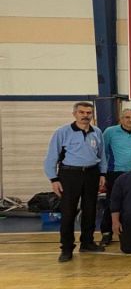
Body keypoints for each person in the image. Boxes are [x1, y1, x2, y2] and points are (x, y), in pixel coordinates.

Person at [44, 101, 107, 262]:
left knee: (90, 210)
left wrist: (103, 174)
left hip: (92, 173)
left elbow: (102, 155)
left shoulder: (97, 132)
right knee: (68, 212)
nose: (85, 116)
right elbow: (52, 156)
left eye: (88, 113)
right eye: (82, 112)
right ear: (74, 114)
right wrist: (54, 178)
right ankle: (66, 248)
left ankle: (87, 242)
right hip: (69, 174)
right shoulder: (62, 132)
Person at [100, 108, 131, 245]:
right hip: (115, 173)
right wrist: (102, 173)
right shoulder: (110, 132)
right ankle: (106, 232)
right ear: (121, 119)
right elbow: (102, 153)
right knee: (112, 203)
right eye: (127, 117)